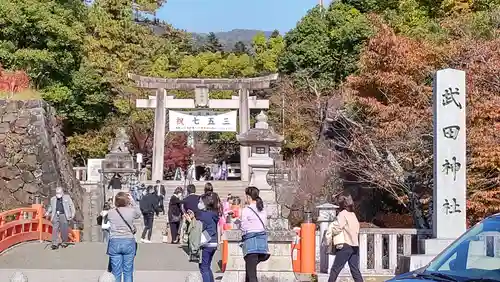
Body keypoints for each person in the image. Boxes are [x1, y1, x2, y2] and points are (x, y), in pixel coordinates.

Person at [326, 195, 362, 282]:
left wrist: (330, 229)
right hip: (355, 246)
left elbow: (338, 227)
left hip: (346, 245)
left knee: (335, 269)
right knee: (355, 270)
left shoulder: (342, 214)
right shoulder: (353, 215)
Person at [107, 192, 141, 282]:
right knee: (128, 271)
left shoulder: (111, 212)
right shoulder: (131, 211)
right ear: (127, 200)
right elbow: (139, 214)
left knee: (116, 272)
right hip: (128, 241)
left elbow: (106, 218)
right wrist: (133, 202)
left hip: (114, 241)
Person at [239, 186, 270, 282]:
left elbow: (244, 227)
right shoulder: (263, 210)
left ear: (248, 197)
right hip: (262, 245)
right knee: (249, 274)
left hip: (251, 245)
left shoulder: (246, 210)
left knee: (252, 275)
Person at [197, 192, 220, 282]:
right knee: (207, 266)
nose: (199, 204)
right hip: (213, 242)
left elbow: (200, 227)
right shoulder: (214, 214)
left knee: (204, 267)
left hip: (207, 241)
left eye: (201, 202)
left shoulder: (204, 215)